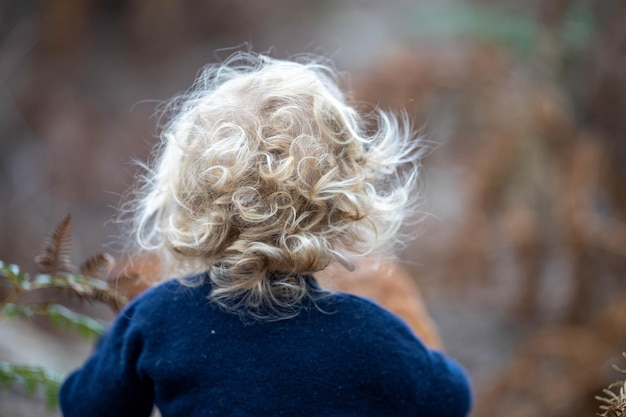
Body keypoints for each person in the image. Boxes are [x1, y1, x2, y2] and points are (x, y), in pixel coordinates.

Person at [59, 52, 472, 417]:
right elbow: (452, 399)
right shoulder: (373, 333)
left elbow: (85, 406)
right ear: (342, 203)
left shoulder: (155, 320)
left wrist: (108, 350)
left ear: (186, 197)